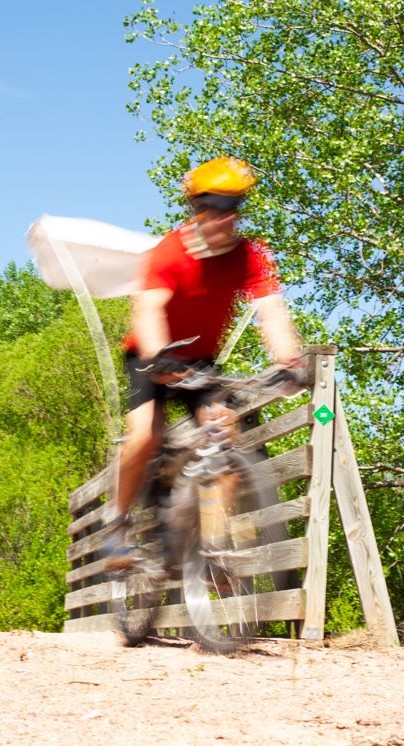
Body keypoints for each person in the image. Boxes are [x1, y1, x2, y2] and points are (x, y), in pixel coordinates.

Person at [104, 156, 302, 570]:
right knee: (145, 436)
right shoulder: (169, 252)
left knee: (224, 444)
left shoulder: (250, 255)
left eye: (232, 208)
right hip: (150, 355)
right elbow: (149, 309)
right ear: (196, 208)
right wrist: (159, 357)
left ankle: (210, 549)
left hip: (201, 360)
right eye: (213, 207)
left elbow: (271, 311)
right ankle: (117, 526)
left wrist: (289, 361)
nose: (223, 218)